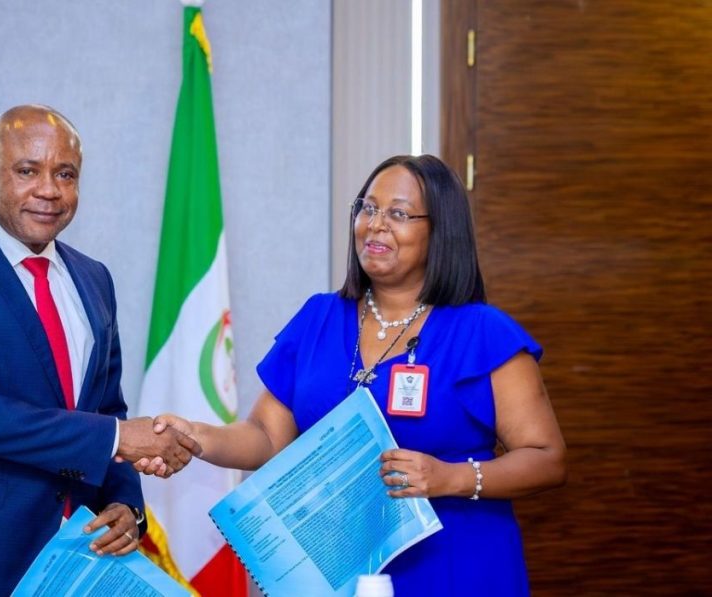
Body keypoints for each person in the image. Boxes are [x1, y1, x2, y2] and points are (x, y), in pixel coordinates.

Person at [138, 155, 567, 596]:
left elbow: (546, 458)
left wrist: (451, 477)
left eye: (398, 213)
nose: (376, 224)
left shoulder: (482, 332)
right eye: (368, 208)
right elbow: (266, 436)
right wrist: (196, 436)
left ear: (440, 231)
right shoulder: (319, 318)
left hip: (457, 566)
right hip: (337, 571)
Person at [0, 104, 200, 596]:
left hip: (79, 564)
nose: (49, 190)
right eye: (28, 170)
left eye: (65, 174)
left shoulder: (94, 278)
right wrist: (118, 439)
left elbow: (106, 408)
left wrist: (123, 507)